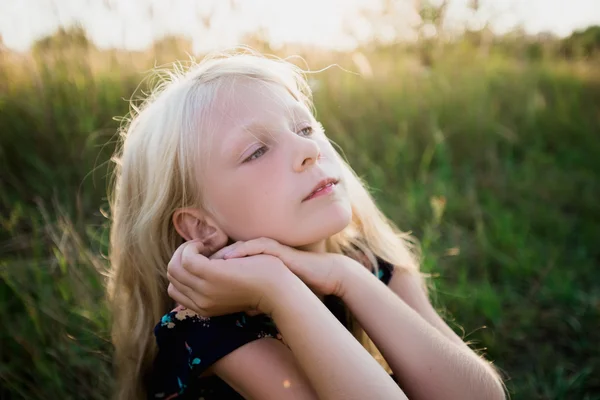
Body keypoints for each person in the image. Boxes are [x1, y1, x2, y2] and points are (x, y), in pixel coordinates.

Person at [106, 47, 507, 400]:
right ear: (202, 227)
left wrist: (345, 276)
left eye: (305, 128)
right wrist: (278, 289)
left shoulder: (364, 263)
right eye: (257, 150)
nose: (309, 149)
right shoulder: (206, 321)